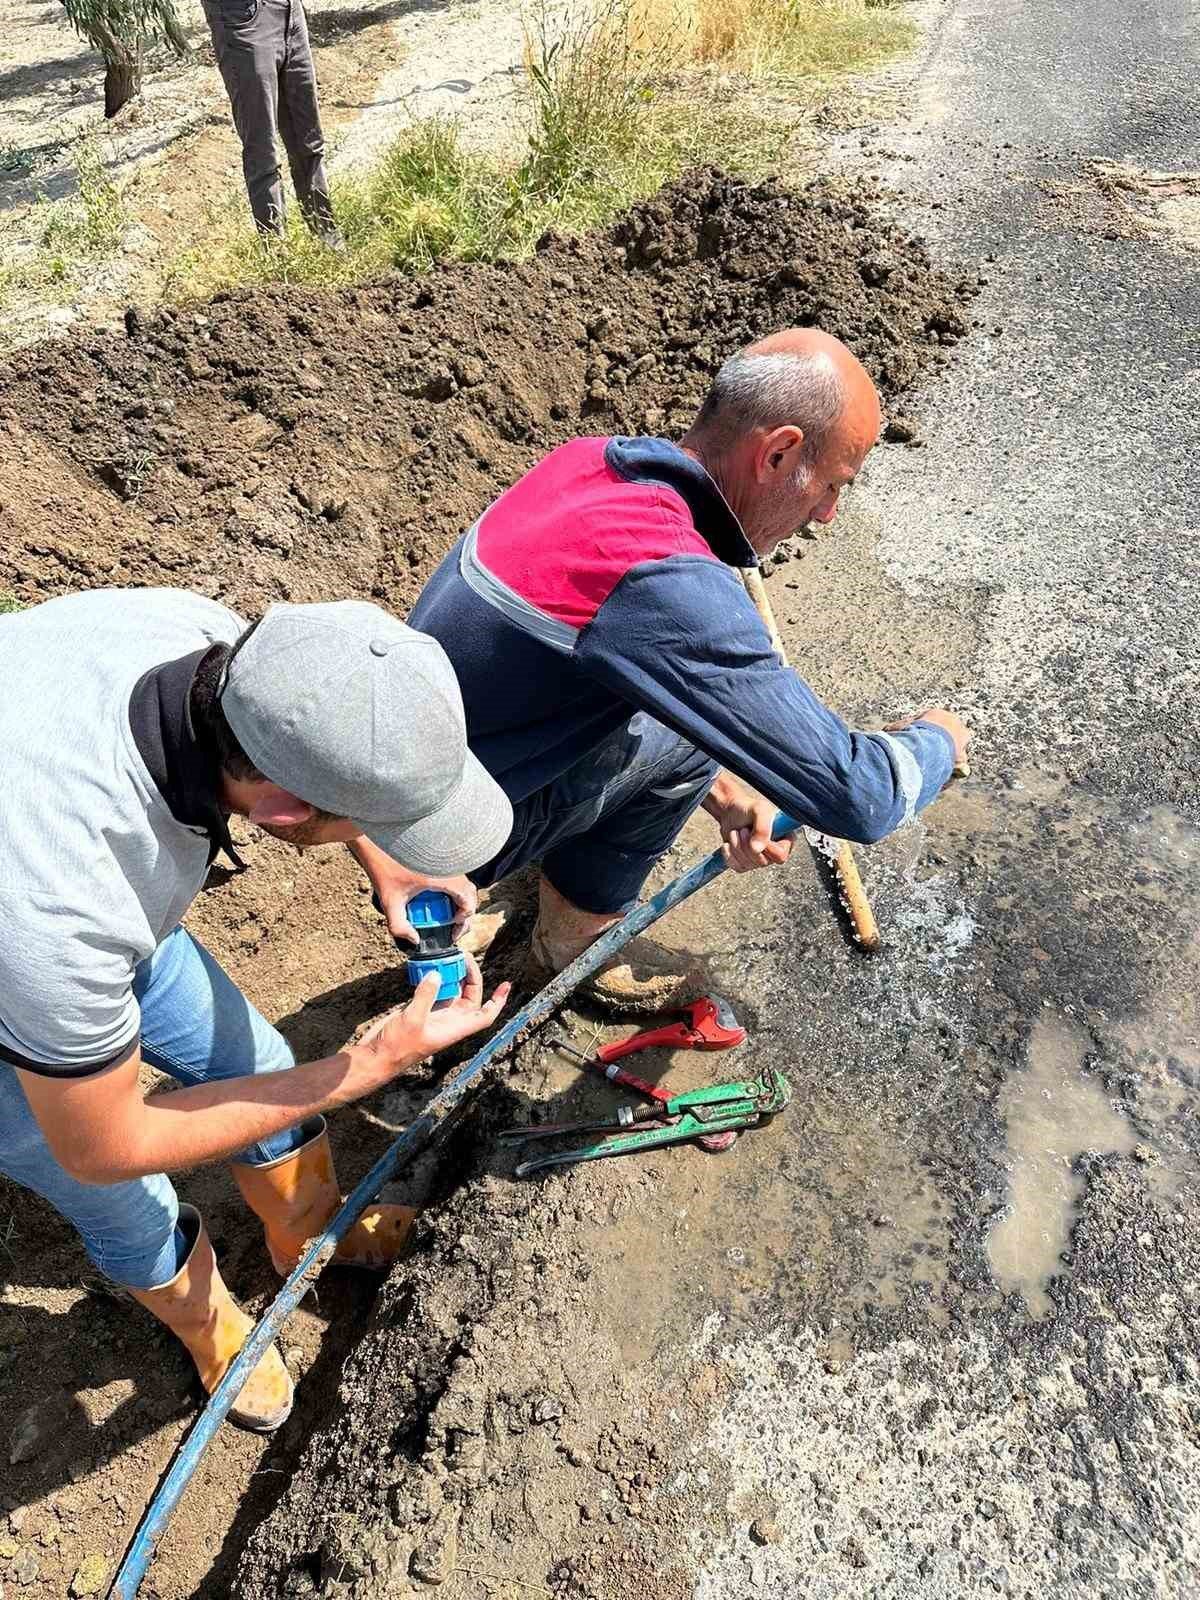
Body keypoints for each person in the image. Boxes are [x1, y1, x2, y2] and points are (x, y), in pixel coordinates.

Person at [0, 589, 512, 1432]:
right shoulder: (64, 903)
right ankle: (212, 1330)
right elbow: (104, 1145)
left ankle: (308, 1237)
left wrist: (391, 864)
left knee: (264, 1070)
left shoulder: (205, 642)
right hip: (31, 954)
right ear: (283, 807)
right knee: (127, 1201)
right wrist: (364, 1068)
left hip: (73, 920)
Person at [405, 328, 971, 1010]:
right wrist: (940, 738)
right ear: (779, 452)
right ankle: (575, 944)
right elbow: (863, 798)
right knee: (695, 734)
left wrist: (728, 793)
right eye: (830, 486)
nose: (826, 515)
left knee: (699, 727)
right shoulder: (661, 581)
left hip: (423, 768)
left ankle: (560, 880)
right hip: (439, 842)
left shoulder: (596, 464)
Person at [201, 0, 341, 244]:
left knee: (309, 142)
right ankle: (278, 264)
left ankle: (330, 245)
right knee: (263, 152)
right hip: (242, 18)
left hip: (289, 12)